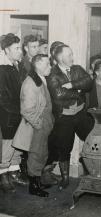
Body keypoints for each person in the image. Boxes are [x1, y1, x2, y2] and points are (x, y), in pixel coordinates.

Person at [46, 44, 94, 189]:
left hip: (80, 114)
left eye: (72, 54)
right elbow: (58, 94)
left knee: (92, 139)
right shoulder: (52, 73)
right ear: (60, 58)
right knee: (64, 148)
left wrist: (72, 84)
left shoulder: (77, 69)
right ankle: (65, 178)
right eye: (69, 55)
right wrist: (79, 91)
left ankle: (93, 170)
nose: (72, 57)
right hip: (64, 117)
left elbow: (89, 82)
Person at [19, 54, 54, 197]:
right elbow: (27, 110)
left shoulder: (41, 79)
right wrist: (39, 125)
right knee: (36, 155)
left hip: (44, 124)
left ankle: (38, 182)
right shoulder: (30, 83)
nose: (50, 67)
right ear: (38, 65)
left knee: (42, 154)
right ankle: (33, 187)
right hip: (37, 126)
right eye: (47, 64)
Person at [0, 33, 27, 193]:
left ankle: (14, 173)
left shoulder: (15, 66)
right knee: (7, 146)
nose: (20, 51)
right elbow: (2, 97)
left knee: (18, 144)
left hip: (17, 114)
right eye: (16, 48)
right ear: (6, 50)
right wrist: (15, 111)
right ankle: (3, 175)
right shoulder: (2, 69)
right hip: (7, 115)